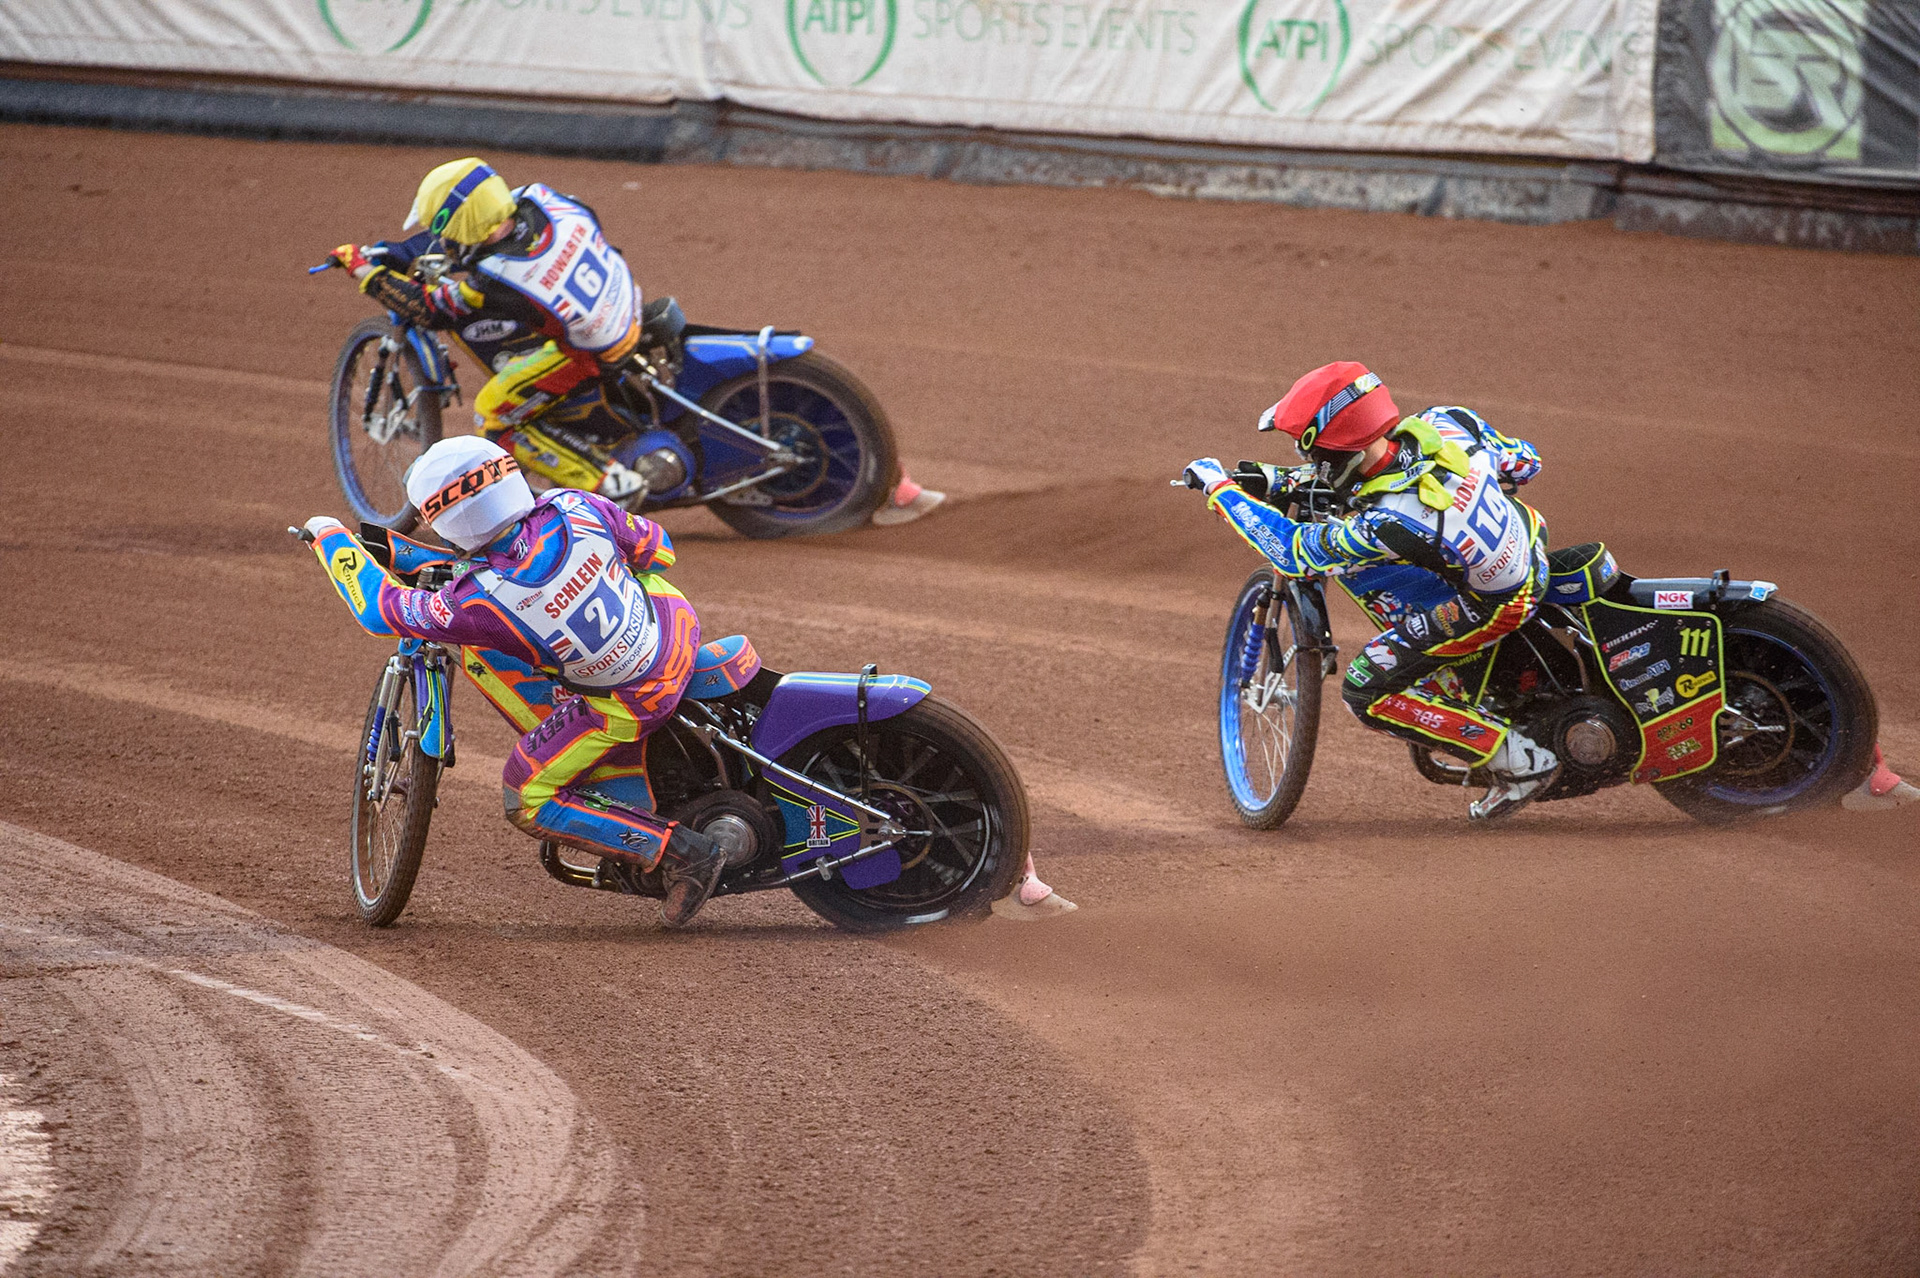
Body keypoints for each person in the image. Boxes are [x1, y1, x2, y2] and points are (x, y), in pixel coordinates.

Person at [327, 157, 944, 523]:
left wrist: (369, 270)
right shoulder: (547, 200)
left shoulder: (498, 281)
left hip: (589, 354)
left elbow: (430, 307)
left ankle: (606, 484)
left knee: (495, 411)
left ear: (464, 227)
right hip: (628, 310)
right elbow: (468, 244)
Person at [302, 435, 728, 927]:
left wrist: (328, 537)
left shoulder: (481, 603)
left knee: (525, 794)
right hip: (674, 627)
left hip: (634, 700)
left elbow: (380, 611)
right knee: (639, 579)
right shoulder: (576, 506)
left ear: (445, 519)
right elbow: (659, 552)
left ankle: (680, 853)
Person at [1182, 361, 1561, 822]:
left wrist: (1221, 490)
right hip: (1530, 539)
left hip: (1498, 602)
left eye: (1313, 458)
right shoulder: (1450, 422)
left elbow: (1292, 551)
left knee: (1365, 690)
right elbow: (1525, 461)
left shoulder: (1389, 522)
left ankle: (1518, 761)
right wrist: (1280, 480)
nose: (1309, 465)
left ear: (1337, 454)